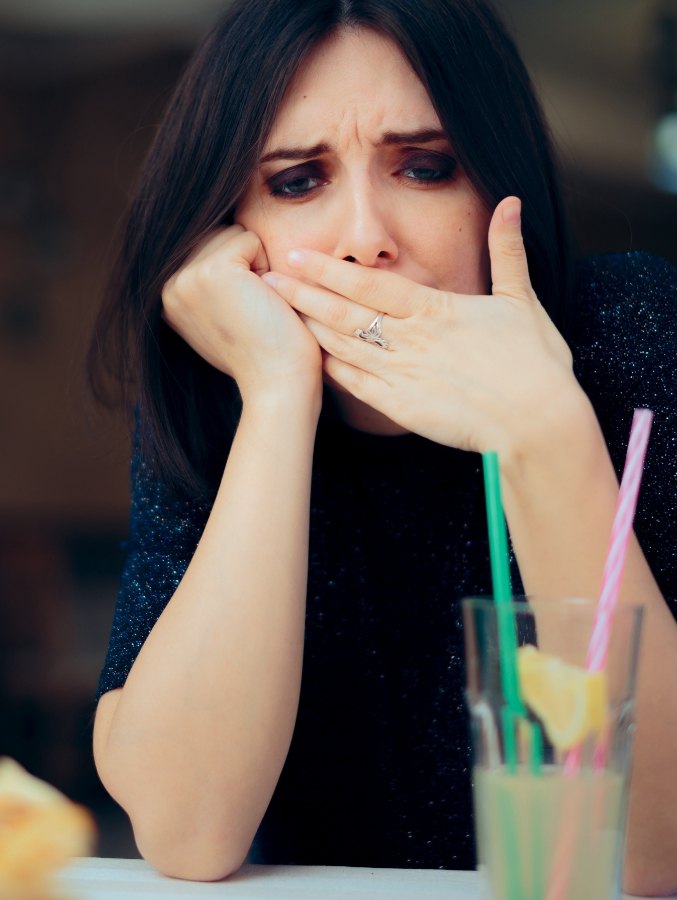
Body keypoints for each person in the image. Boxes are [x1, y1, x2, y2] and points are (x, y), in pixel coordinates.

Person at [89, 0, 677, 892]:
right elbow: (186, 831)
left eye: (426, 167)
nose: (365, 238)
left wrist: (542, 429)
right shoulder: (223, 381)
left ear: (494, 184)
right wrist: (278, 393)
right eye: (295, 182)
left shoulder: (625, 332)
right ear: (230, 230)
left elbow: (653, 856)